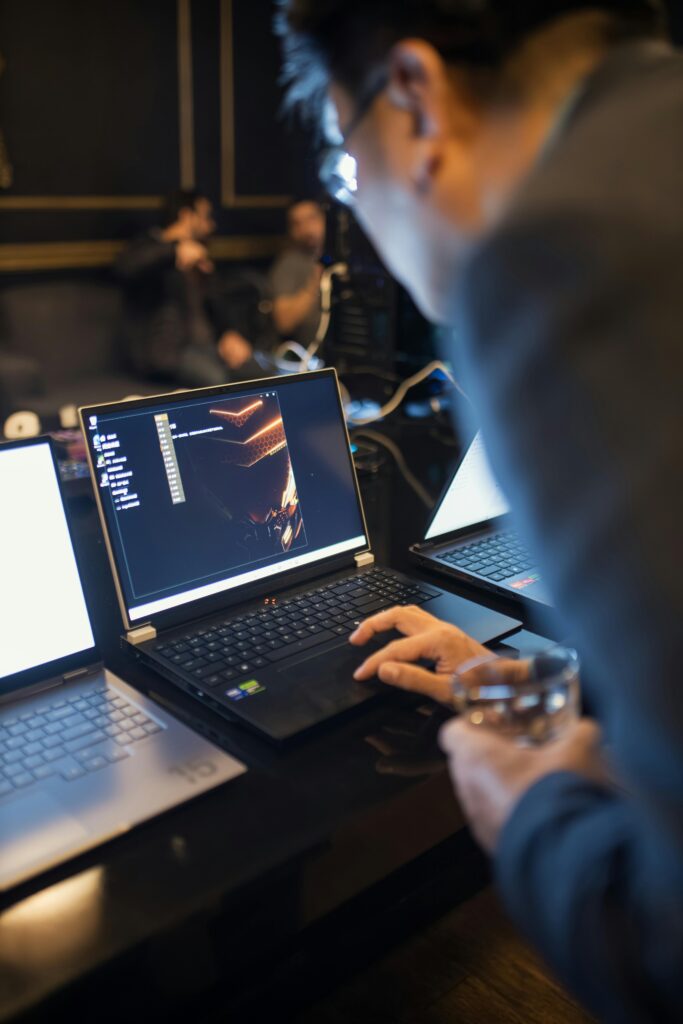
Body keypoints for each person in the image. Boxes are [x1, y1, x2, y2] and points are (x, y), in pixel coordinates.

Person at [277, 2, 683, 1021]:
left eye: (344, 167)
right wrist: (534, 700)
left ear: (412, 95)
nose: (356, 206)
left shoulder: (559, 261)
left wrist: (533, 811)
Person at [116, 189, 265, 386]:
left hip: (208, 346)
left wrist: (228, 333)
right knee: (219, 382)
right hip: (169, 352)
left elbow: (216, 306)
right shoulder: (152, 247)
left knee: (260, 371)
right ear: (187, 216)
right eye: (205, 217)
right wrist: (174, 250)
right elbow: (126, 267)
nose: (211, 225)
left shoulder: (199, 254)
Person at [269, 198, 326, 346]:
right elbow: (283, 322)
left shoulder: (346, 257)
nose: (306, 229)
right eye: (297, 224)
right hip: (309, 352)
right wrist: (315, 283)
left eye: (311, 219)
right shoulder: (288, 264)